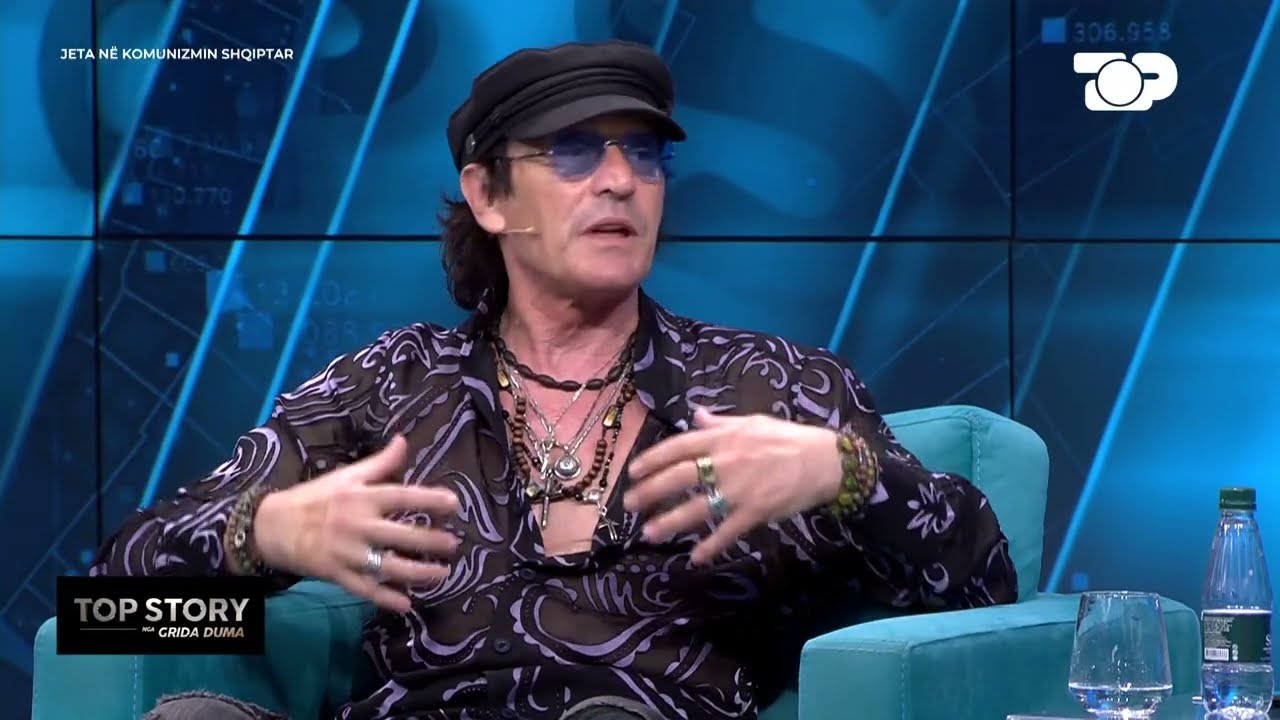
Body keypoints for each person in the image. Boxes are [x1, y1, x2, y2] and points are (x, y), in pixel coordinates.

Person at [92, 39, 1018, 720]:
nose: (620, 181)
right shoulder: (391, 384)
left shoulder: (772, 388)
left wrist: (844, 474)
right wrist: (262, 532)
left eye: (645, 153)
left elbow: (986, 595)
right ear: (489, 195)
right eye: (574, 151)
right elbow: (108, 612)